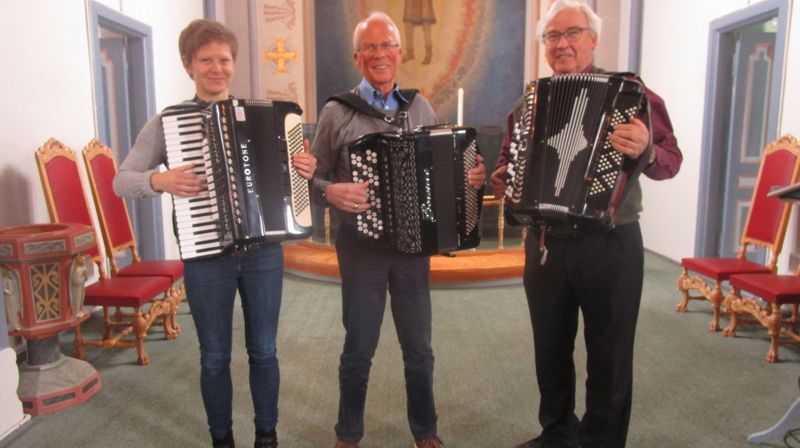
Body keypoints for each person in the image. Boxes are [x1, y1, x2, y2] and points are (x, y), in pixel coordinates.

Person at [114, 19, 316, 448]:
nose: (216, 68)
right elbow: (121, 180)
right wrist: (159, 181)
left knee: (264, 350)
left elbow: (294, 176)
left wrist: (305, 171)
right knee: (214, 357)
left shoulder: (265, 116)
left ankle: (267, 437)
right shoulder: (169, 123)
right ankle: (221, 439)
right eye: (206, 59)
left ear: (233, 64)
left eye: (223, 59)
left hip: (263, 252)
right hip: (206, 256)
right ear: (189, 65)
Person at [488, 1, 682, 447]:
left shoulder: (633, 95)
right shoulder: (528, 103)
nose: (562, 44)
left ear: (593, 39)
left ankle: (602, 440)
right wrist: (504, 179)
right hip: (544, 245)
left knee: (610, 354)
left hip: (610, 243)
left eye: (572, 33)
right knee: (550, 349)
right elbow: (507, 169)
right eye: (552, 37)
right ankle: (557, 432)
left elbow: (669, 161)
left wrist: (646, 148)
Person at [311, 11, 485, 448]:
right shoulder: (338, 111)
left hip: (412, 247)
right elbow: (311, 178)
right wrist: (330, 190)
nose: (379, 54)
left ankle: (425, 431)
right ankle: (347, 435)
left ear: (399, 52)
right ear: (358, 56)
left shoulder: (420, 106)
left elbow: (443, 167)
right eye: (369, 47)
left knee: (419, 348)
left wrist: (469, 174)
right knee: (359, 348)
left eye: (386, 45)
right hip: (361, 245)